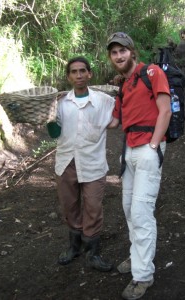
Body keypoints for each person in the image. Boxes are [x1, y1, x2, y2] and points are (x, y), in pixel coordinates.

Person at [107, 32, 172, 299]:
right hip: (129, 150)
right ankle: (137, 258)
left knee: (142, 212)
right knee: (128, 208)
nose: (119, 55)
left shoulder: (153, 72)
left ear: (132, 52)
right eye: (114, 52)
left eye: (123, 50)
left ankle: (143, 275)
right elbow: (112, 121)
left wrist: (154, 146)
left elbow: (165, 110)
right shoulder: (124, 84)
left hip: (147, 148)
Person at [47, 56, 115, 272]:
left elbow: (116, 120)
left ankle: (92, 252)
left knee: (93, 207)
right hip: (66, 162)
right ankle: (74, 247)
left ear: (90, 74)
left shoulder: (104, 101)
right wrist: (48, 117)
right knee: (70, 206)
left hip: (93, 163)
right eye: (74, 72)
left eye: (82, 71)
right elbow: (54, 134)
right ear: (68, 76)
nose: (78, 75)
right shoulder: (60, 103)